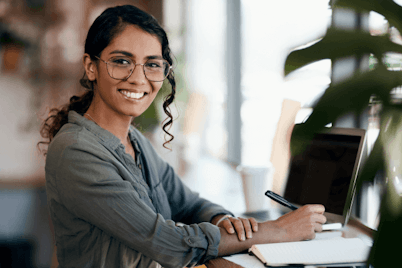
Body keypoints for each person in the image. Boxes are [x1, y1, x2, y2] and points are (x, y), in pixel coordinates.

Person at [39, 5, 326, 268]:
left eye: (152, 64)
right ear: (91, 66)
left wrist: (225, 221)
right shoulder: (75, 151)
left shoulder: (135, 142)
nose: (139, 78)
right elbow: (168, 244)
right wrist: (277, 230)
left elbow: (188, 204)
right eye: (122, 61)